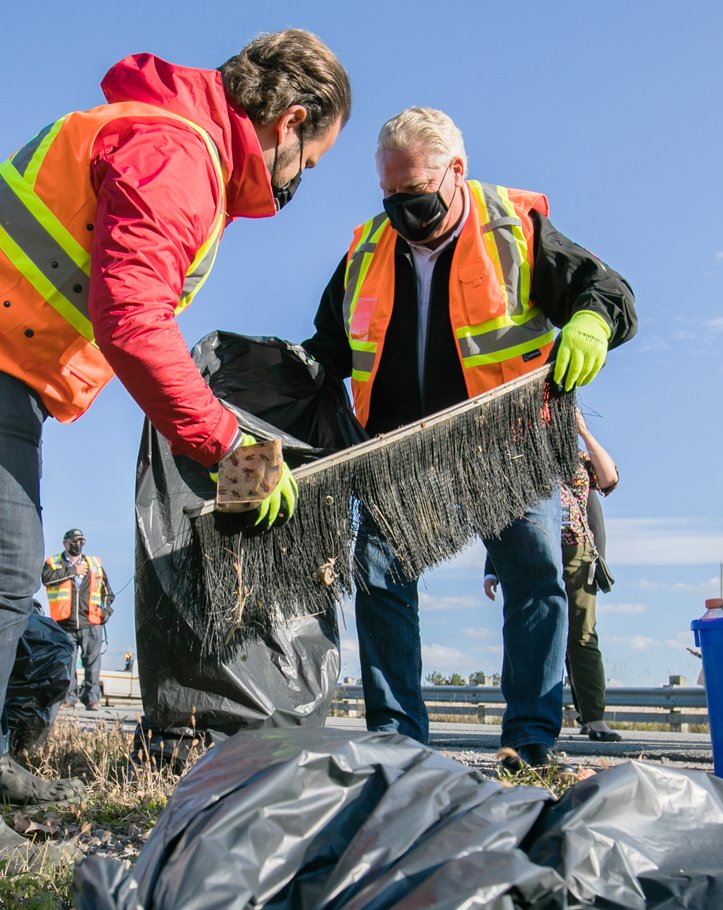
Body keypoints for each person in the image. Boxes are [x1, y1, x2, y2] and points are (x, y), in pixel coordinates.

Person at [0, 28, 350, 850]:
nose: (302, 180)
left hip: (15, 377)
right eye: (313, 160)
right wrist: (231, 445)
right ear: (289, 120)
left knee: (16, 586)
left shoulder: (169, 137)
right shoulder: (176, 156)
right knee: (8, 576)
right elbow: (133, 321)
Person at [302, 108, 636, 772]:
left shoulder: (513, 229)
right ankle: (398, 743)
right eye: (390, 197)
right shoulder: (368, 250)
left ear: (456, 172)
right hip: (400, 450)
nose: (402, 211)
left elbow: (606, 290)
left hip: (506, 445)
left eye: (416, 195)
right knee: (381, 582)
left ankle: (530, 742)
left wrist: (592, 325)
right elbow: (328, 350)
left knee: (535, 577)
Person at [485, 409, 622, 742]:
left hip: (576, 550)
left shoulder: (578, 458)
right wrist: (492, 568)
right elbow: (504, 514)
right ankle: (531, 718)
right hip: (532, 546)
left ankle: (594, 717)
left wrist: (585, 433)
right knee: (535, 628)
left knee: (582, 634)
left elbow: (608, 479)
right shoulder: (522, 457)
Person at [42, 529, 114, 710]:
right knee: (67, 663)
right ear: (65, 543)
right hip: (64, 623)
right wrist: (73, 571)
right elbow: (47, 580)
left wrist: (105, 612)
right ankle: (68, 699)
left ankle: (92, 699)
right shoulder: (54, 563)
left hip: (90, 622)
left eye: (81, 541)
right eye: (74, 541)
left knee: (93, 664)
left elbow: (108, 593)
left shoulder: (94, 565)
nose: (78, 545)